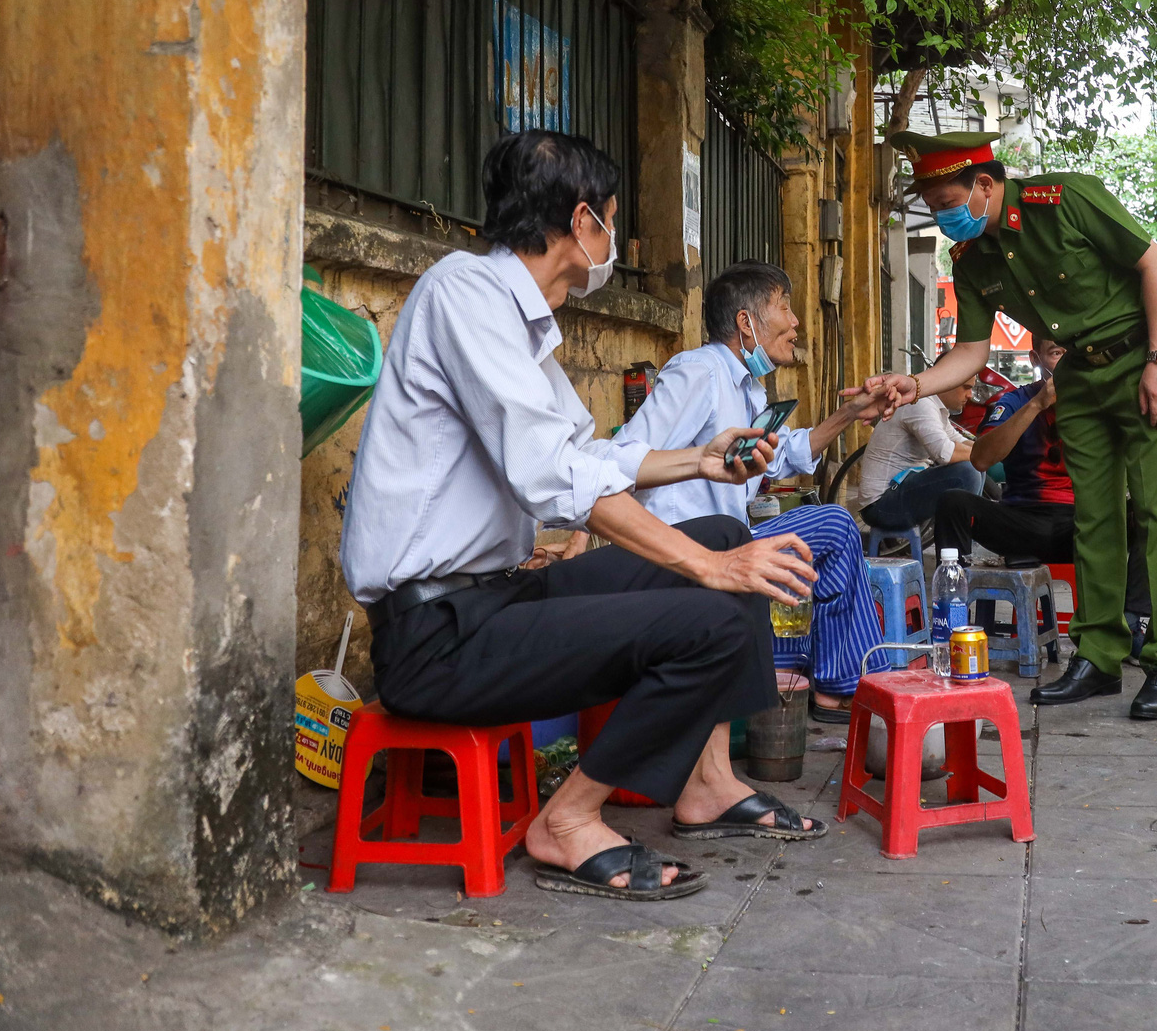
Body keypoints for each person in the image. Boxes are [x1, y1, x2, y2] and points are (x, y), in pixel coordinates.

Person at [340, 130, 825, 904]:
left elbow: (586, 454)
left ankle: (707, 785)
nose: (614, 240)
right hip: (437, 637)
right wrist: (705, 569)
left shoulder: (517, 322)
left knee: (728, 530)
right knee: (715, 605)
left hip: (497, 599)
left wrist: (699, 461)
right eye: (609, 219)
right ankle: (566, 820)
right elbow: (552, 477)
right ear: (581, 223)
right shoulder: (463, 294)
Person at [862, 129, 1157, 721]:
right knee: (1093, 516)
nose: (942, 219)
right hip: (1079, 379)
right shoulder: (971, 260)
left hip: (1142, 358)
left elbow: (1155, 262)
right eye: (933, 208)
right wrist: (918, 385)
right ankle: (1097, 657)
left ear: (984, 185)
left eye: (946, 205)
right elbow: (969, 352)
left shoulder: (1063, 200)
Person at [615, 260, 893, 723]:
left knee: (811, 537)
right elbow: (626, 453)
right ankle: (843, 685)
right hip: (686, 541)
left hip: (730, 535)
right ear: (747, 322)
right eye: (783, 306)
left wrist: (851, 413)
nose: (795, 321)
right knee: (836, 524)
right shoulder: (699, 371)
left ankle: (800, 674)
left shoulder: (750, 389)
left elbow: (784, 453)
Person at [932, 336, 1153, 655]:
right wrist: (1036, 406)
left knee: (1147, 512)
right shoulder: (1015, 399)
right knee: (952, 501)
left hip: (1082, 526)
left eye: (1071, 353)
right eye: (1055, 353)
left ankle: (1132, 623)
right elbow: (981, 459)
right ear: (1036, 358)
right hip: (1021, 522)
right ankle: (953, 620)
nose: (1065, 363)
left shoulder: (1102, 404)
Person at [857, 378, 983, 533]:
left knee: (978, 465)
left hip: (896, 491)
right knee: (967, 472)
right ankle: (955, 547)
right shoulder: (921, 403)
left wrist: (989, 452)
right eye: (966, 387)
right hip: (879, 505)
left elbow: (958, 440)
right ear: (948, 383)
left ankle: (962, 540)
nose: (970, 395)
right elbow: (944, 453)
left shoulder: (935, 407)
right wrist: (982, 455)